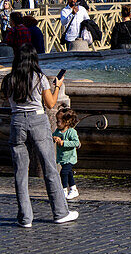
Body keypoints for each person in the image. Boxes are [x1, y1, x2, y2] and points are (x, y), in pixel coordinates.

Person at [1, 44, 78, 226]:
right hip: (37, 121)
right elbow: (51, 104)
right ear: (33, 59)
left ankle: (25, 218)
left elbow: (8, 99)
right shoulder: (39, 78)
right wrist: (57, 86)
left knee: (20, 172)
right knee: (49, 168)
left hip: (17, 121)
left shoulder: (9, 79)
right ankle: (60, 212)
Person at [53, 107, 81, 200]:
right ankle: (73, 189)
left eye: (59, 121)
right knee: (69, 173)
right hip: (62, 157)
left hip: (70, 157)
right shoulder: (58, 131)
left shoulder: (71, 132)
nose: (57, 123)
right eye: (57, 121)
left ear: (67, 122)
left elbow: (76, 143)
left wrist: (63, 143)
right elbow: (53, 136)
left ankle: (63, 190)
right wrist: (54, 138)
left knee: (64, 172)